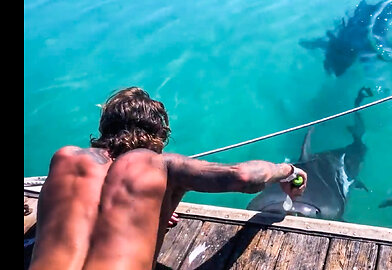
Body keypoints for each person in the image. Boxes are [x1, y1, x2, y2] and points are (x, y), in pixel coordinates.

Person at [28, 87, 308, 270]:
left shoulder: (63, 157)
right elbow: (245, 176)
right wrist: (289, 171)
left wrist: (154, 210)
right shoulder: (162, 166)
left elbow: (77, 213)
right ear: (158, 133)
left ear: (104, 127)